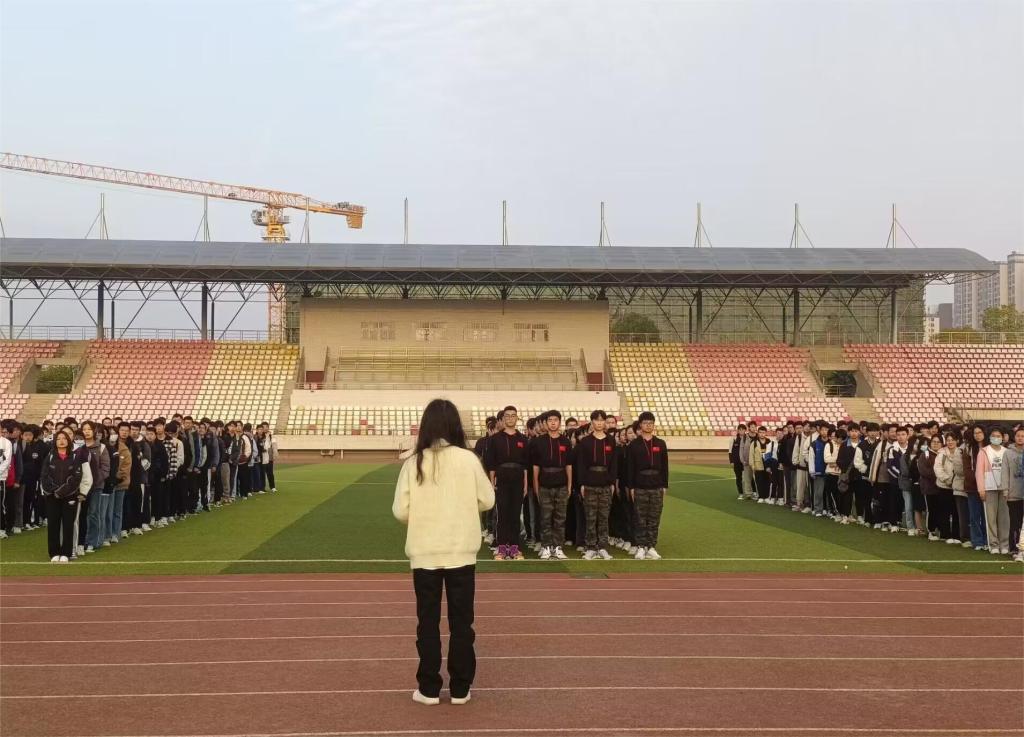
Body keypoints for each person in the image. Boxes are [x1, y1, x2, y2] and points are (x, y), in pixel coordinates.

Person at [392, 398, 494, 706]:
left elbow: (400, 510)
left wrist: (424, 515)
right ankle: (461, 688)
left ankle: (429, 688)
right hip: (461, 552)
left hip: (425, 553)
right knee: (462, 622)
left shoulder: (414, 462)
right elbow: (487, 500)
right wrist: (462, 508)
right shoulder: (468, 459)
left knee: (428, 621)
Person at [484, 406, 528, 561]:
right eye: (507, 416)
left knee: (515, 515)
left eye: (513, 415)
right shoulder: (495, 439)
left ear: (517, 418)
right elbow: (491, 464)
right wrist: (492, 483)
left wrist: (525, 484)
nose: (510, 418)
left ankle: (515, 549)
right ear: (503, 419)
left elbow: (525, 465)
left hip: (518, 480)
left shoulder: (523, 439)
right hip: (501, 481)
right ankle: (502, 549)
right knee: (502, 516)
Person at [40, 429, 89, 563]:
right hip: (52, 496)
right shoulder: (50, 457)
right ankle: (54, 553)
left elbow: (76, 477)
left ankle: (66, 553)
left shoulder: (75, 457)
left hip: (69, 496)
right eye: (58, 439)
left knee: (68, 525)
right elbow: (44, 476)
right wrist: (54, 491)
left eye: (64, 438)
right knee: (53, 525)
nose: (61, 441)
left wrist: (62, 491)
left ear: (68, 441)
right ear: (55, 442)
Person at [574, 410, 617, 560]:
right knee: (590, 517)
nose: (599, 423)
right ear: (592, 422)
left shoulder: (611, 441)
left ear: (605, 422)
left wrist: (612, 482)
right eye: (596, 420)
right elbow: (581, 465)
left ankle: (603, 547)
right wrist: (582, 483)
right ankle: (591, 547)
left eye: (602, 420)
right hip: (590, 484)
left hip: (605, 484)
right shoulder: (586, 441)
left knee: (604, 517)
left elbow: (614, 464)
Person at [529, 410, 571, 561]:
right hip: (544, 484)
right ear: (546, 423)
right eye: (550, 420)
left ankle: (558, 547)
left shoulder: (565, 441)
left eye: (556, 420)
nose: (553, 423)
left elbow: (569, 466)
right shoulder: (538, 442)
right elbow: (535, 467)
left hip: (561, 484)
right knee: (545, 518)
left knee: (560, 518)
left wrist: (569, 485)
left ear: (560, 422)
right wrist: (536, 486)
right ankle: (546, 547)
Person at [626, 411, 668, 560]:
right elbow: (630, 468)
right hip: (640, 486)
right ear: (640, 425)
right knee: (639, 518)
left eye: (651, 423)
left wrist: (664, 485)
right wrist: (631, 487)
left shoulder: (660, 443)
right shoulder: (634, 445)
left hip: (656, 486)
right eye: (645, 423)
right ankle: (640, 546)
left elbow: (665, 466)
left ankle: (651, 546)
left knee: (654, 518)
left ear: (653, 425)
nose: (648, 425)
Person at [976, 426, 1010, 555]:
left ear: (1002, 437)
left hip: (1004, 489)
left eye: (998, 436)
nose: (996, 438)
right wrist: (981, 489)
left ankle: (1004, 544)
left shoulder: (1006, 451)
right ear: (989, 437)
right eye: (993, 436)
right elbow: (979, 472)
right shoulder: (984, 451)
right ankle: (994, 544)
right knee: (991, 518)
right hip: (989, 488)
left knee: (1004, 518)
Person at [82, 421, 111, 553]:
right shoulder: (79, 447)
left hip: (96, 486)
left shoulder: (101, 447)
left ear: (94, 431)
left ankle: (92, 542)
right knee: (81, 515)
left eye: (89, 429)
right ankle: (81, 541)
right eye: (84, 429)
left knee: (93, 513)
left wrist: (93, 481)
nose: (87, 432)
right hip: (80, 487)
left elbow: (105, 469)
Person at [1005, 426, 1024, 562]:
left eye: (1023, 436)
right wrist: (1005, 490)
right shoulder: (1008, 453)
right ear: (1014, 437)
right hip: (1013, 493)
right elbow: (1005, 472)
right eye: (1018, 435)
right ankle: (1015, 548)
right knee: (1015, 523)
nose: (1020, 438)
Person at [728, 424, 747, 500]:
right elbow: (730, 451)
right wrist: (731, 461)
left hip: (746, 462)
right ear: (738, 430)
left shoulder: (748, 438)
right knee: (738, 478)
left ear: (745, 430)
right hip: (737, 462)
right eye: (740, 429)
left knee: (750, 478)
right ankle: (741, 493)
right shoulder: (734, 439)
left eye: (743, 429)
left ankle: (752, 493)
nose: (741, 431)